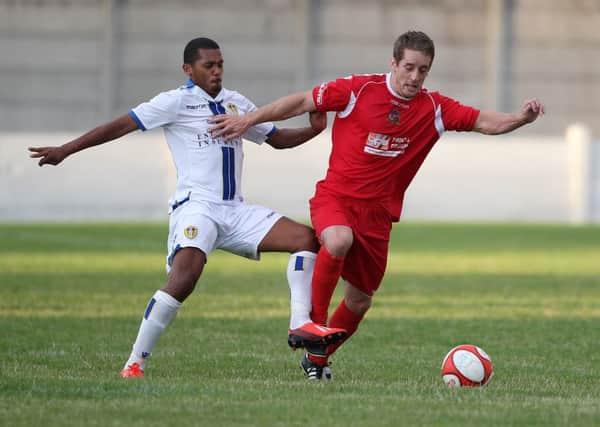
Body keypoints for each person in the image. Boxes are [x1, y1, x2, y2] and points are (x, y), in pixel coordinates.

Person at [208, 30, 545, 380]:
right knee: (337, 240)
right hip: (335, 199)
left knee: (359, 302)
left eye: (423, 70)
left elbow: (483, 122)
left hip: (378, 217)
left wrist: (519, 119)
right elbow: (300, 102)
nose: (415, 77)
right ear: (394, 63)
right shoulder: (358, 90)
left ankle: (317, 361)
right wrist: (249, 119)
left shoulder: (434, 109)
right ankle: (312, 325)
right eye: (409, 67)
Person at [28, 37, 347, 379]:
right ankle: (135, 363)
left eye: (220, 64)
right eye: (208, 66)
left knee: (306, 239)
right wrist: (66, 149)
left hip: (235, 210)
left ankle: (300, 323)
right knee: (184, 279)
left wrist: (313, 130)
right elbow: (118, 126)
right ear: (188, 69)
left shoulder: (236, 103)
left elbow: (276, 139)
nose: (217, 72)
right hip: (197, 208)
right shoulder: (174, 102)